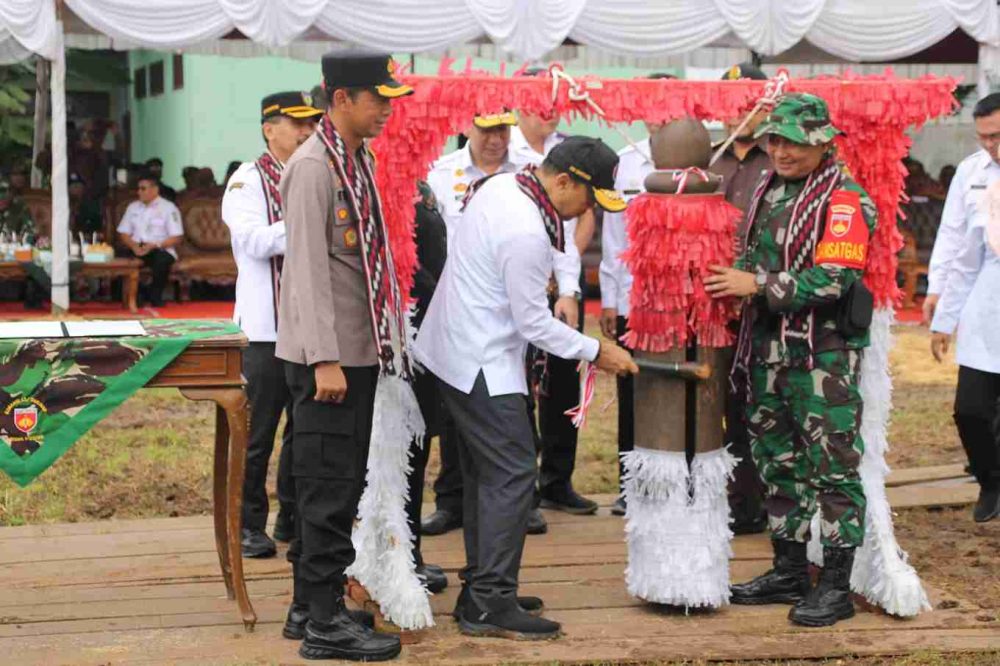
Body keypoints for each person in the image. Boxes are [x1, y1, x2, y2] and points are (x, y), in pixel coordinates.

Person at [414, 136, 638, 640]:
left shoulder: (508, 186)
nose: (590, 215)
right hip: (480, 359)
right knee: (514, 473)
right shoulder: (524, 230)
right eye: (589, 200)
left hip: (458, 348)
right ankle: (490, 601)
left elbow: (557, 248)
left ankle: (483, 586)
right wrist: (597, 351)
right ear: (564, 181)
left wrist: (570, 290)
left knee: (485, 474)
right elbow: (534, 324)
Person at [705, 93, 875, 627]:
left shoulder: (845, 200)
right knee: (777, 463)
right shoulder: (768, 190)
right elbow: (748, 257)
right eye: (774, 139)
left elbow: (832, 279)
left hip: (823, 358)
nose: (780, 149)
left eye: (793, 141)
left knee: (832, 469)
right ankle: (789, 570)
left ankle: (837, 586)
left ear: (821, 142)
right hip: (767, 352)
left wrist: (753, 283)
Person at [275, 49, 413, 662]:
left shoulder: (355, 159)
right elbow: (304, 271)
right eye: (376, 98)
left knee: (337, 480)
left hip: (355, 350)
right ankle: (325, 625)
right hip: (326, 357)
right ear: (341, 100)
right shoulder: (314, 167)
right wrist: (324, 359)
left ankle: (311, 605)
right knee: (328, 486)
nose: (385, 109)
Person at [222, 91, 323, 559]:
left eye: (311, 123)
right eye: (296, 123)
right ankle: (246, 525)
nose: (306, 132)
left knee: (304, 431)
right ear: (269, 129)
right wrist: (306, 221)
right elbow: (254, 242)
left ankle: (291, 517)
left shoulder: (316, 174)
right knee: (256, 434)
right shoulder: (247, 180)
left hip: (307, 329)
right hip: (263, 332)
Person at [420, 111, 520, 538]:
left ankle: (512, 501)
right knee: (452, 405)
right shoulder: (441, 175)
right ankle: (452, 499)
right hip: (453, 305)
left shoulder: (526, 171)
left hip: (509, 305)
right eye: (487, 129)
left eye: (504, 129)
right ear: (467, 129)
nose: (497, 138)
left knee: (511, 401)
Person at [510, 80, 599, 525]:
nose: (548, 113)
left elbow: (577, 220)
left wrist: (566, 282)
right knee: (518, 384)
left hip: (562, 278)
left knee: (562, 383)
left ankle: (557, 480)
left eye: (554, 106)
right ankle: (522, 488)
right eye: (539, 105)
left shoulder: (573, 151)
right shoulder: (507, 157)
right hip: (518, 283)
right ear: (518, 108)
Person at [598, 72, 673, 516]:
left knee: (675, 385)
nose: (660, 115)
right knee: (632, 390)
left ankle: (672, 480)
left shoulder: (696, 163)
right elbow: (613, 233)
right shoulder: (625, 163)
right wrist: (609, 297)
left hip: (679, 302)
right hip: (632, 296)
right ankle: (631, 483)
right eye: (653, 105)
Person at [926, 94, 1000, 523]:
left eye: (998, 136)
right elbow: (957, 245)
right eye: (984, 138)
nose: (991, 146)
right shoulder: (972, 173)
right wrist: (944, 317)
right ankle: (990, 480)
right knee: (970, 410)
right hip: (985, 300)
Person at [710, 62, 774, 535]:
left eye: (748, 99)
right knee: (724, 403)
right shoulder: (708, 160)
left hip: (768, 301)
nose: (739, 110)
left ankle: (770, 498)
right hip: (715, 304)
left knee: (767, 402)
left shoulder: (782, 158)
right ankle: (736, 499)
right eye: (731, 99)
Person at [404, 180, 451, 593]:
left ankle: (409, 552)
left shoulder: (419, 185)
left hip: (426, 336)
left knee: (416, 450)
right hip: (395, 337)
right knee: (392, 455)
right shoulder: (367, 177)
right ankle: (395, 557)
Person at [116, 172, 184, 306]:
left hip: (159, 248)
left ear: (155, 189)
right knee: (120, 260)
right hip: (136, 247)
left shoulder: (168, 208)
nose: (139, 192)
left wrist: (154, 245)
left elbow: (177, 237)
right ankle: (136, 296)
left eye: (143, 188)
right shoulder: (133, 207)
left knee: (162, 261)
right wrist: (133, 245)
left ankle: (155, 296)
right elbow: (123, 233)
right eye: (138, 189)